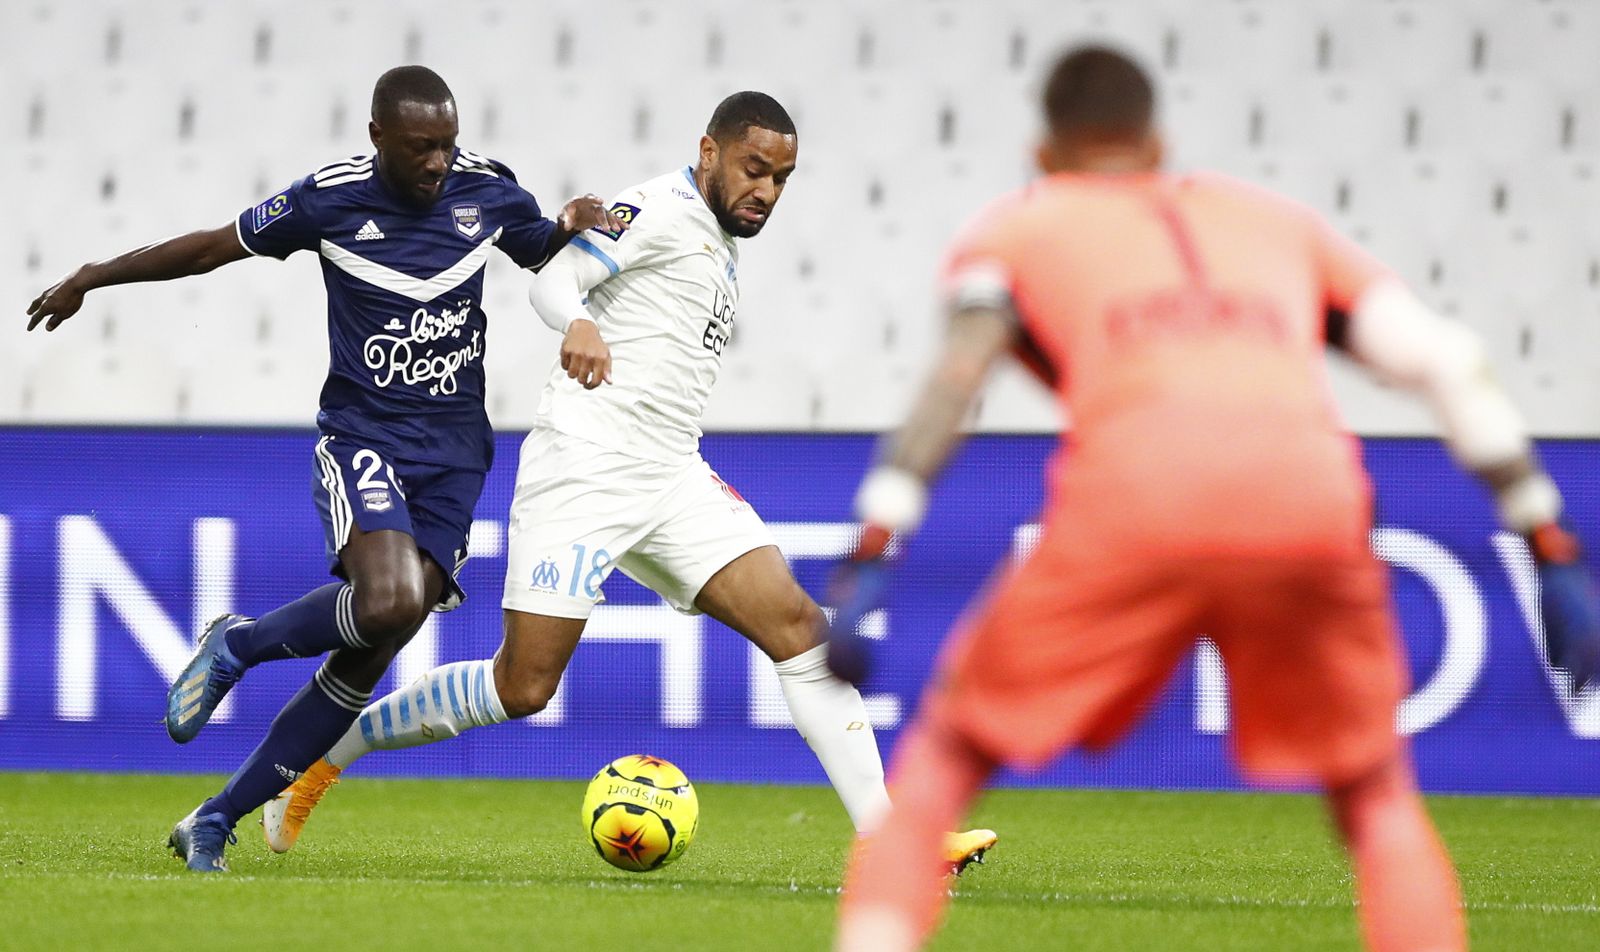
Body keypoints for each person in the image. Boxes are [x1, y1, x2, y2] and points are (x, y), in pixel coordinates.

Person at [828, 47, 1600, 952]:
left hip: (1134, 500)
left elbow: (956, 380)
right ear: (1158, 142)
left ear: (1045, 156)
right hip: (1308, 501)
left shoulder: (1014, 233)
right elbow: (1446, 362)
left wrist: (877, 538)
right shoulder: (1277, 223)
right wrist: (1548, 537)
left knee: (949, 760)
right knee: (1375, 792)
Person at [261, 91, 997, 872]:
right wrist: (577, 322)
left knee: (800, 629)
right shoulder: (656, 209)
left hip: (671, 474)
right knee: (523, 686)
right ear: (708, 151)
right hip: (584, 468)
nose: (766, 192)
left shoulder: (716, 236)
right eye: (754, 170)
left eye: (781, 179)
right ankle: (329, 751)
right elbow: (554, 282)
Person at [25, 65, 624, 873]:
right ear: (377, 136)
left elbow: (541, 252)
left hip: (454, 454)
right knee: (391, 600)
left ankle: (214, 817)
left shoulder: (488, 192)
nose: (438, 162)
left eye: (447, 145)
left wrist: (570, 222)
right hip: (365, 438)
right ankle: (239, 642)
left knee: (372, 648)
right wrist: (97, 275)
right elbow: (208, 249)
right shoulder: (327, 199)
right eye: (420, 148)